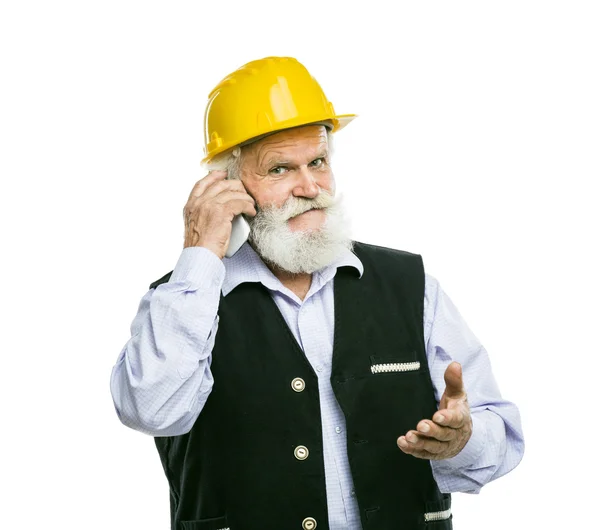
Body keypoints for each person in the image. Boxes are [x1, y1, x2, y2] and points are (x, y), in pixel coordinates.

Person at [110, 56, 524, 530]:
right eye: (280, 169)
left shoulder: (408, 284)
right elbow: (150, 410)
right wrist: (201, 251)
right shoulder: (184, 300)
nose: (310, 187)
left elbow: (500, 430)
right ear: (229, 184)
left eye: (318, 162)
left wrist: (463, 438)